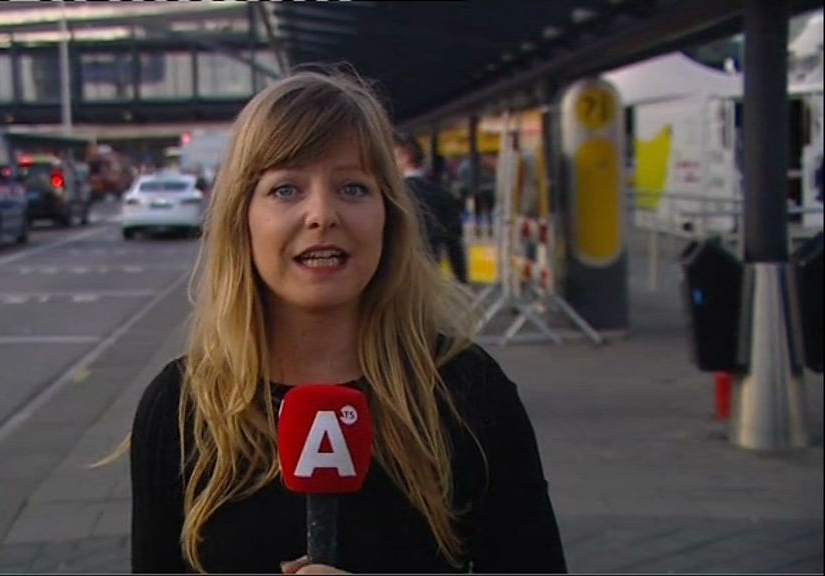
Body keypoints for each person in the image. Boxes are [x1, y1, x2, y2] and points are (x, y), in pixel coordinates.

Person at [129, 70, 565, 574]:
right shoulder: (181, 408)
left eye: (353, 188)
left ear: (389, 216)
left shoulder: (467, 390)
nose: (322, 215)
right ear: (240, 219)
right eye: (286, 189)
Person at [393, 132, 468, 284]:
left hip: (397, 276)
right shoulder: (442, 194)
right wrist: (462, 281)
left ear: (405, 156)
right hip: (430, 276)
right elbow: (454, 242)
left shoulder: (394, 194)